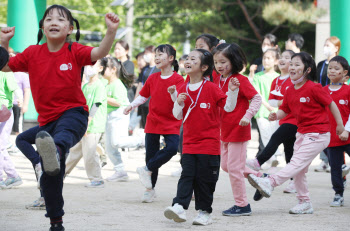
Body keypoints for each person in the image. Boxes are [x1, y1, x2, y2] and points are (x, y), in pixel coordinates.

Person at [1, 5, 120, 230]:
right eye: (49, 19)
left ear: (70, 28)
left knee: (61, 136)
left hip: (74, 114)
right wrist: (4, 42)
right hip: (47, 124)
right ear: (42, 27)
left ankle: (52, 152)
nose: (54, 21)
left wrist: (111, 32)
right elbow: (5, 66)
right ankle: (56, 222)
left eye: (61, 19)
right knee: (47, 171)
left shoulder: (74, 50)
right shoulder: (32, 53)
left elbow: (99, 53)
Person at [247, 52, 344, 214]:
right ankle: (304, 202)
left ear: (307, 69)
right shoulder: (290, 90)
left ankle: (270, 181)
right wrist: (275, 115)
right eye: (291, 64)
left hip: (319, 134)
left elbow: (331, 104)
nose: (292, 67)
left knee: (296, 163)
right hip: (302, 134)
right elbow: (284, 110)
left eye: (297, 64)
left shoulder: (315, 88)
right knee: (299, 170)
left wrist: (340, 124)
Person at [163, 49, 239, 225]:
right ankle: (179, 207)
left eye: (193, 59)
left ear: (204, 67)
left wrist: (233, 91)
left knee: (204, 181)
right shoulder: (183, 87)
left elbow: (228, 108)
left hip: (209, 145)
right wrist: (177, 101)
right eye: (187, 58)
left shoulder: (212, 88)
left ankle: (205, 213)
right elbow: (177, 116)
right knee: (187, 175)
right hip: (189, 143)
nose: (188, 61)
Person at [124, 44, 184, 203]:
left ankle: (147, 169)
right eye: (155, 55)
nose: (156, 57)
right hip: (153, 121)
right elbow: (143, 96)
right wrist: (132, 105)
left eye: (160, 54)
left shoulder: (178, 79)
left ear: (171, 58)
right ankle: (150, 189)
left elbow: (179, 101)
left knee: (171, 148)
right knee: (151, 154)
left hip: (171, 122)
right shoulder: (152, 77)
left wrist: (174, 93)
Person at [212, 43, 263, 216]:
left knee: (234, 168)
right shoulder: (218, 79)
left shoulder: (240, 80)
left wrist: (247, 116)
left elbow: (256, 99)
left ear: (234, 61)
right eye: (216, 62)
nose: (219, 66)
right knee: (226, 166)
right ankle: (260, 178)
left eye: (223, 61)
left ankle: (242, 205)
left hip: (238, 131)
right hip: (223, 131)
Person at [246, 50, 298, 194]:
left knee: (276, 137)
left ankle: (258, 161)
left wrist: (283, 101)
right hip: (283, 118)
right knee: (290, 152)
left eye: (287, 58)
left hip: (295, 119)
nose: (282, 60)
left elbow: (295, 99)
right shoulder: (276, 81)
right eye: (281, 57)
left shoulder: (295, 79)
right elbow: (272, 100)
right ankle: (295, 182)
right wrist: (282, 102)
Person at [65, 62, 107, 188]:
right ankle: (61, 173)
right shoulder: (85, 86)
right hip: (82, 125)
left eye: (92, 65)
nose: (89, 68)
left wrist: (87, 123)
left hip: (93, 126)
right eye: (87, 65)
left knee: (89, 153)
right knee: (75, 151)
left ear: (100, 69)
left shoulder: (99, 86)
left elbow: (96, 105)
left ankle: (97, 179)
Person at [101, 57, 142, 182]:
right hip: (110, 117)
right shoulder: (106, 83)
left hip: (119, 115)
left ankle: (141, 140)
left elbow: (118, 102)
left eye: (104, 68)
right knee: (109, 146)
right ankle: (120, 171)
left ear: (113, 69)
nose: (101, 71)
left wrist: (102, 96)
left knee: (117, 142)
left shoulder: (117, 84)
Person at [323, 56, 350, 207]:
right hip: (331, 138)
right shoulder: (322, 91)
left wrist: (347, 130)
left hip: (348, 136)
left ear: (344, 73)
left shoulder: (348, 90)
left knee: (339, 167)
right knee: (335, 169)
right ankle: (338, 194)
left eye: (336, 68)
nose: (332, 71)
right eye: (330, 68)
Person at [315, 36, 341, 172]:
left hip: (333, 101)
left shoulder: (340, 64)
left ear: (336, 48)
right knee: (322, 129)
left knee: (334, 130)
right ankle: (324, 160)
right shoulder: (320, 64)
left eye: (328, 45)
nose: (325, 47)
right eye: (324, 45)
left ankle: (337, 162)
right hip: (320, 101)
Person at [252, 49, 281, 167]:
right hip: (262, 111)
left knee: (274, 135)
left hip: (276, 112)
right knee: (265, 135)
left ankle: (273, 156)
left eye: (269, 58)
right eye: (264, 58)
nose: (265, 60)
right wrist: (267, 105)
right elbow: (257, 93)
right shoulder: (258, 76)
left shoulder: (278, 77)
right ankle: (273, 157)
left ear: (276, 61)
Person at [0, 68, 23, 189]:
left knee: (0, 146)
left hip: (4, 112)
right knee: (1, 147)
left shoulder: (5, 72)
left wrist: (21, 99)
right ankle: (13, 175)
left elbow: (16, 88)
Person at [134, 45, 160, 129]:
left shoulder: (159, 68)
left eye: (147, 53)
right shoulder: (145, 69)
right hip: (143, 100)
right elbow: (140, 84)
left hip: (154, 101)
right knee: (144, 123)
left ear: (153, 54)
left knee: (154, 124)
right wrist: (136, 99)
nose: (145, 55)